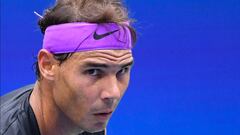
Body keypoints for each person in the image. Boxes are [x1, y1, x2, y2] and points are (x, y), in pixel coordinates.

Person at [0, 0, 137, 135]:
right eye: (93, 71)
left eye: (122, 70)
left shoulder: (85, 116)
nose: (113, 93)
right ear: (47, 65)